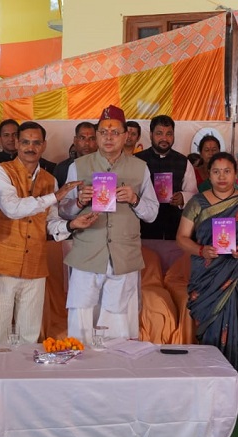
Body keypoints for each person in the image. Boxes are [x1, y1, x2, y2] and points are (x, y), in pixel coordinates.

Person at [0, 121, 98, 369]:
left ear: (44, 145)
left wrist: (71, 225)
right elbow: (12, 208)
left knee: (29, 338)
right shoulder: (0, 172)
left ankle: (25, 383)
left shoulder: (49, 179)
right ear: (16, 143)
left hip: (35, 265)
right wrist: (55, 196)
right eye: (25, 142)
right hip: (2, 264)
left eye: (36, 143)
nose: (30, 147)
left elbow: (50, 223)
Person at [176, 152, 238, 415]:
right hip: (208, 279)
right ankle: (214, 393)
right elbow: (182, 238)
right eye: (216, 171)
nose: (221, 177)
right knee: (211, 333)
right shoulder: (197, 202)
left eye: (227, 171)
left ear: (236, 174)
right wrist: (201, 250)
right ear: (208, 175)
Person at [59, 105, 159, 342]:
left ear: (126, 136)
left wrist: (134, 199)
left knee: (118, 321)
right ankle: (82, 364)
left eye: (115, 132)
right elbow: (63, 210)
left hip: (123, 256)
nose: (109, 137)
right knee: (82, 318)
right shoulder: (78, 166)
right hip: (87, 255)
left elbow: (152, 213)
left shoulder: (140, 168)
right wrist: (78, 202)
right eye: (103, 132)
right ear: (96, 135)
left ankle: (116, 364)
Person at [135, 115, 198, 269]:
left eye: (169, 134)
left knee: (173, 277)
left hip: (174, 234)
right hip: (143, 234)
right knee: (148, 277)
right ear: (151, 135)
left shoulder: (183, 162)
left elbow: (195, 195)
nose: (164, 138)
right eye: (159, 133)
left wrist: (183, 197)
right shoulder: (136, 161)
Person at [0, 119, 56, 184]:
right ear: (0, 139)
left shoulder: (47, 166)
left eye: (15, 134)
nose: (11, 139)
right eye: (6, 135)